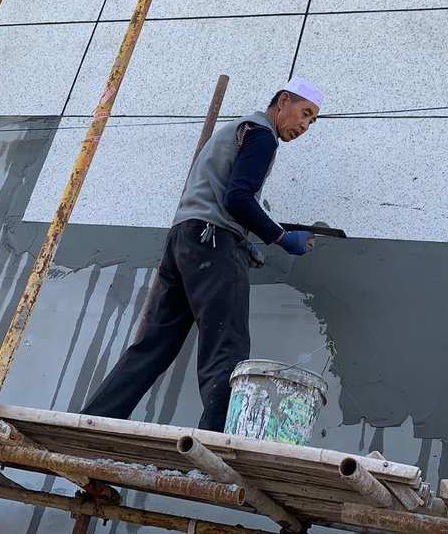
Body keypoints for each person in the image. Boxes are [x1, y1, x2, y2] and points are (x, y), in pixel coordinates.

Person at [81, 76, 323, 432]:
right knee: (227, 346)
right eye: (304, 113)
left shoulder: (236, 130)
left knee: (153, 346)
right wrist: (281, 237)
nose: (305, 125)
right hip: (213, 242)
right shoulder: (261, 135)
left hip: (184, 240)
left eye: (312, 121)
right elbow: (238, 199)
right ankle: (215, 442)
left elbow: (219, 196)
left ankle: (94, 423)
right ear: (282, 100)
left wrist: (244, 242)